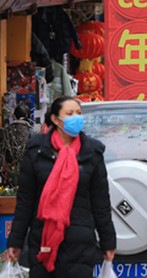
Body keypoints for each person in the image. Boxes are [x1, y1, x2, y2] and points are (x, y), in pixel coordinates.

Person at [6, 96, 116, 277]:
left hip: (80, 243)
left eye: (79, 113)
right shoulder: (36, 152)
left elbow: (101, 202)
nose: (76, 118)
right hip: (43, 240)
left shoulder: (91, 153)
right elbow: (25, 202)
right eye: (70, 113)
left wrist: (108, 242)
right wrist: (15, 242)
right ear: (56, 119)